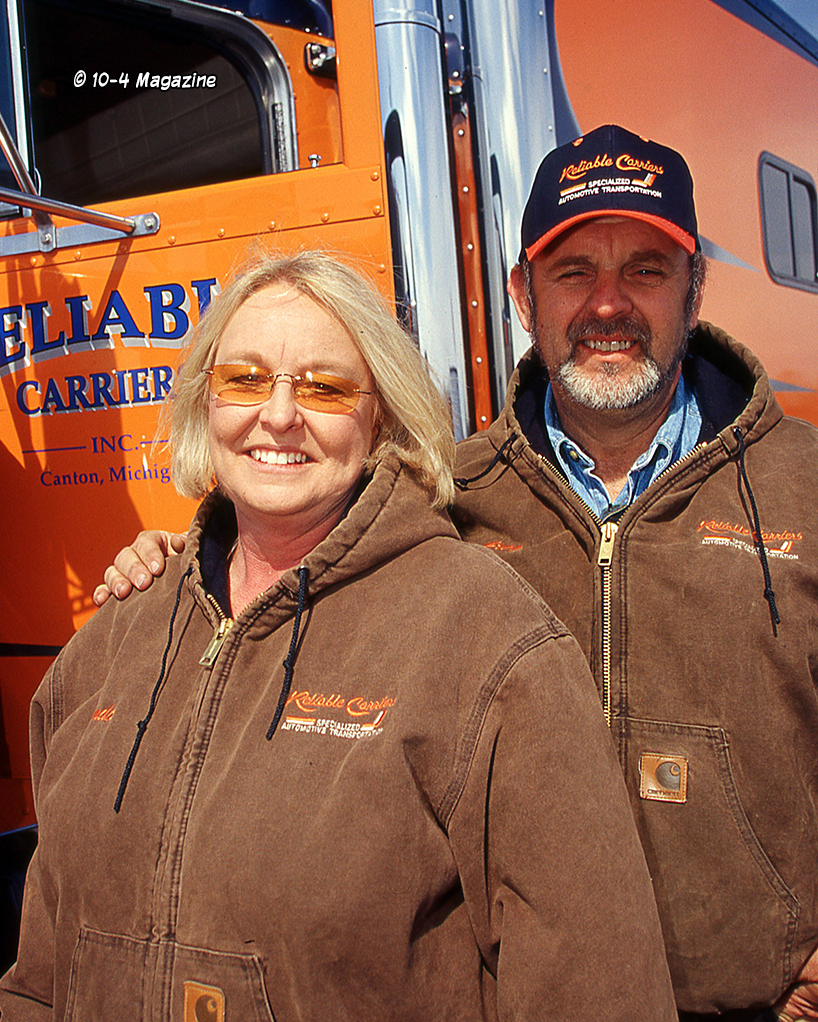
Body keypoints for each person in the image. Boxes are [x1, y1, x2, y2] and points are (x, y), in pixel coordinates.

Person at [100, 128, 818, 1022]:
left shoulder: (803, 487)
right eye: (572, 272)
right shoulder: (445, 496)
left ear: (695, 288)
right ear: (522, 295)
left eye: (645, 269)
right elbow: (291, 554)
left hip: (766, 1005)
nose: (607, 303)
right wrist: (175, 562)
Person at [0, 250, 677, 1020]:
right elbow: (39, 977)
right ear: (205, 400)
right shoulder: (117, 632)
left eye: (324, 387)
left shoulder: (483, 635)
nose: (278, 415)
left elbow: (594, 987)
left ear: (380, 416)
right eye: (244, 378)